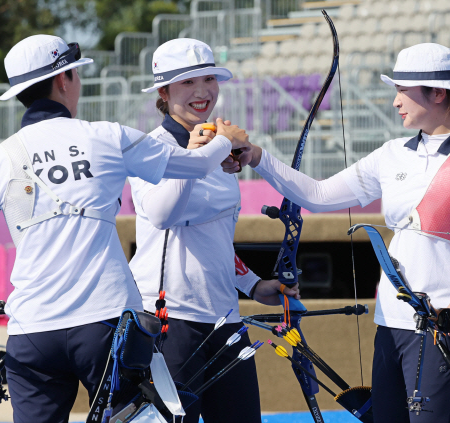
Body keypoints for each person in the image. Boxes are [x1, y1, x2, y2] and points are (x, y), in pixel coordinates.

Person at [0, 34, 251, 423]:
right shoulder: (106, 136)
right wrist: (224, 142)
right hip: (105, 329)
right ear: (64, 80)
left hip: (32, 333)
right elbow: (194, 165)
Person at [223, 43, 450, 423]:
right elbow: (318, 195)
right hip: (390, 326)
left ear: (437, 93)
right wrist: (257, 156)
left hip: (443, 330)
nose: (395, 102)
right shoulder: (391, 155)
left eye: (403, 91)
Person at [128, 38, 299, 423]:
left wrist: (254, 284)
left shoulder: (222, 154)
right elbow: (162, 214)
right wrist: (200, 154)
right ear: (164, 91)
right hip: (167, 321)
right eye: (187, 83)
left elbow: (217, 240)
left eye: (209, 79)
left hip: (226, 319)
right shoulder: (149, 148)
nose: (202, 92)